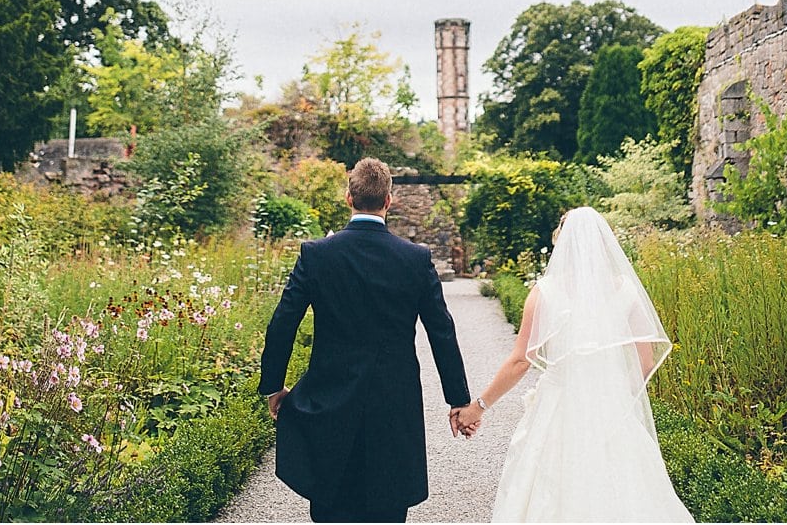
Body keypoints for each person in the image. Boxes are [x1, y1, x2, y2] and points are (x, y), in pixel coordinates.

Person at [258, 157, 473, 523]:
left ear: (348, 198)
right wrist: (458, 399)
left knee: (330, 505)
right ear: (389, 201)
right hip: (394, 403)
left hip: (329, 400)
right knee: (388, 508)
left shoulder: (316, 255)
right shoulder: (415, 259)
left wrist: (274, 386)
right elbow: (442, 332)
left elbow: (282, 323)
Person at [454, 206, 693, 523]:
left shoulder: (545, 293)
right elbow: (645, 362)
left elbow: (519, 362)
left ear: (561, 244)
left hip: (559, 409)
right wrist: (613, 393)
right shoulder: (625, 290)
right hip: (611, 410)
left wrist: (478, 406)